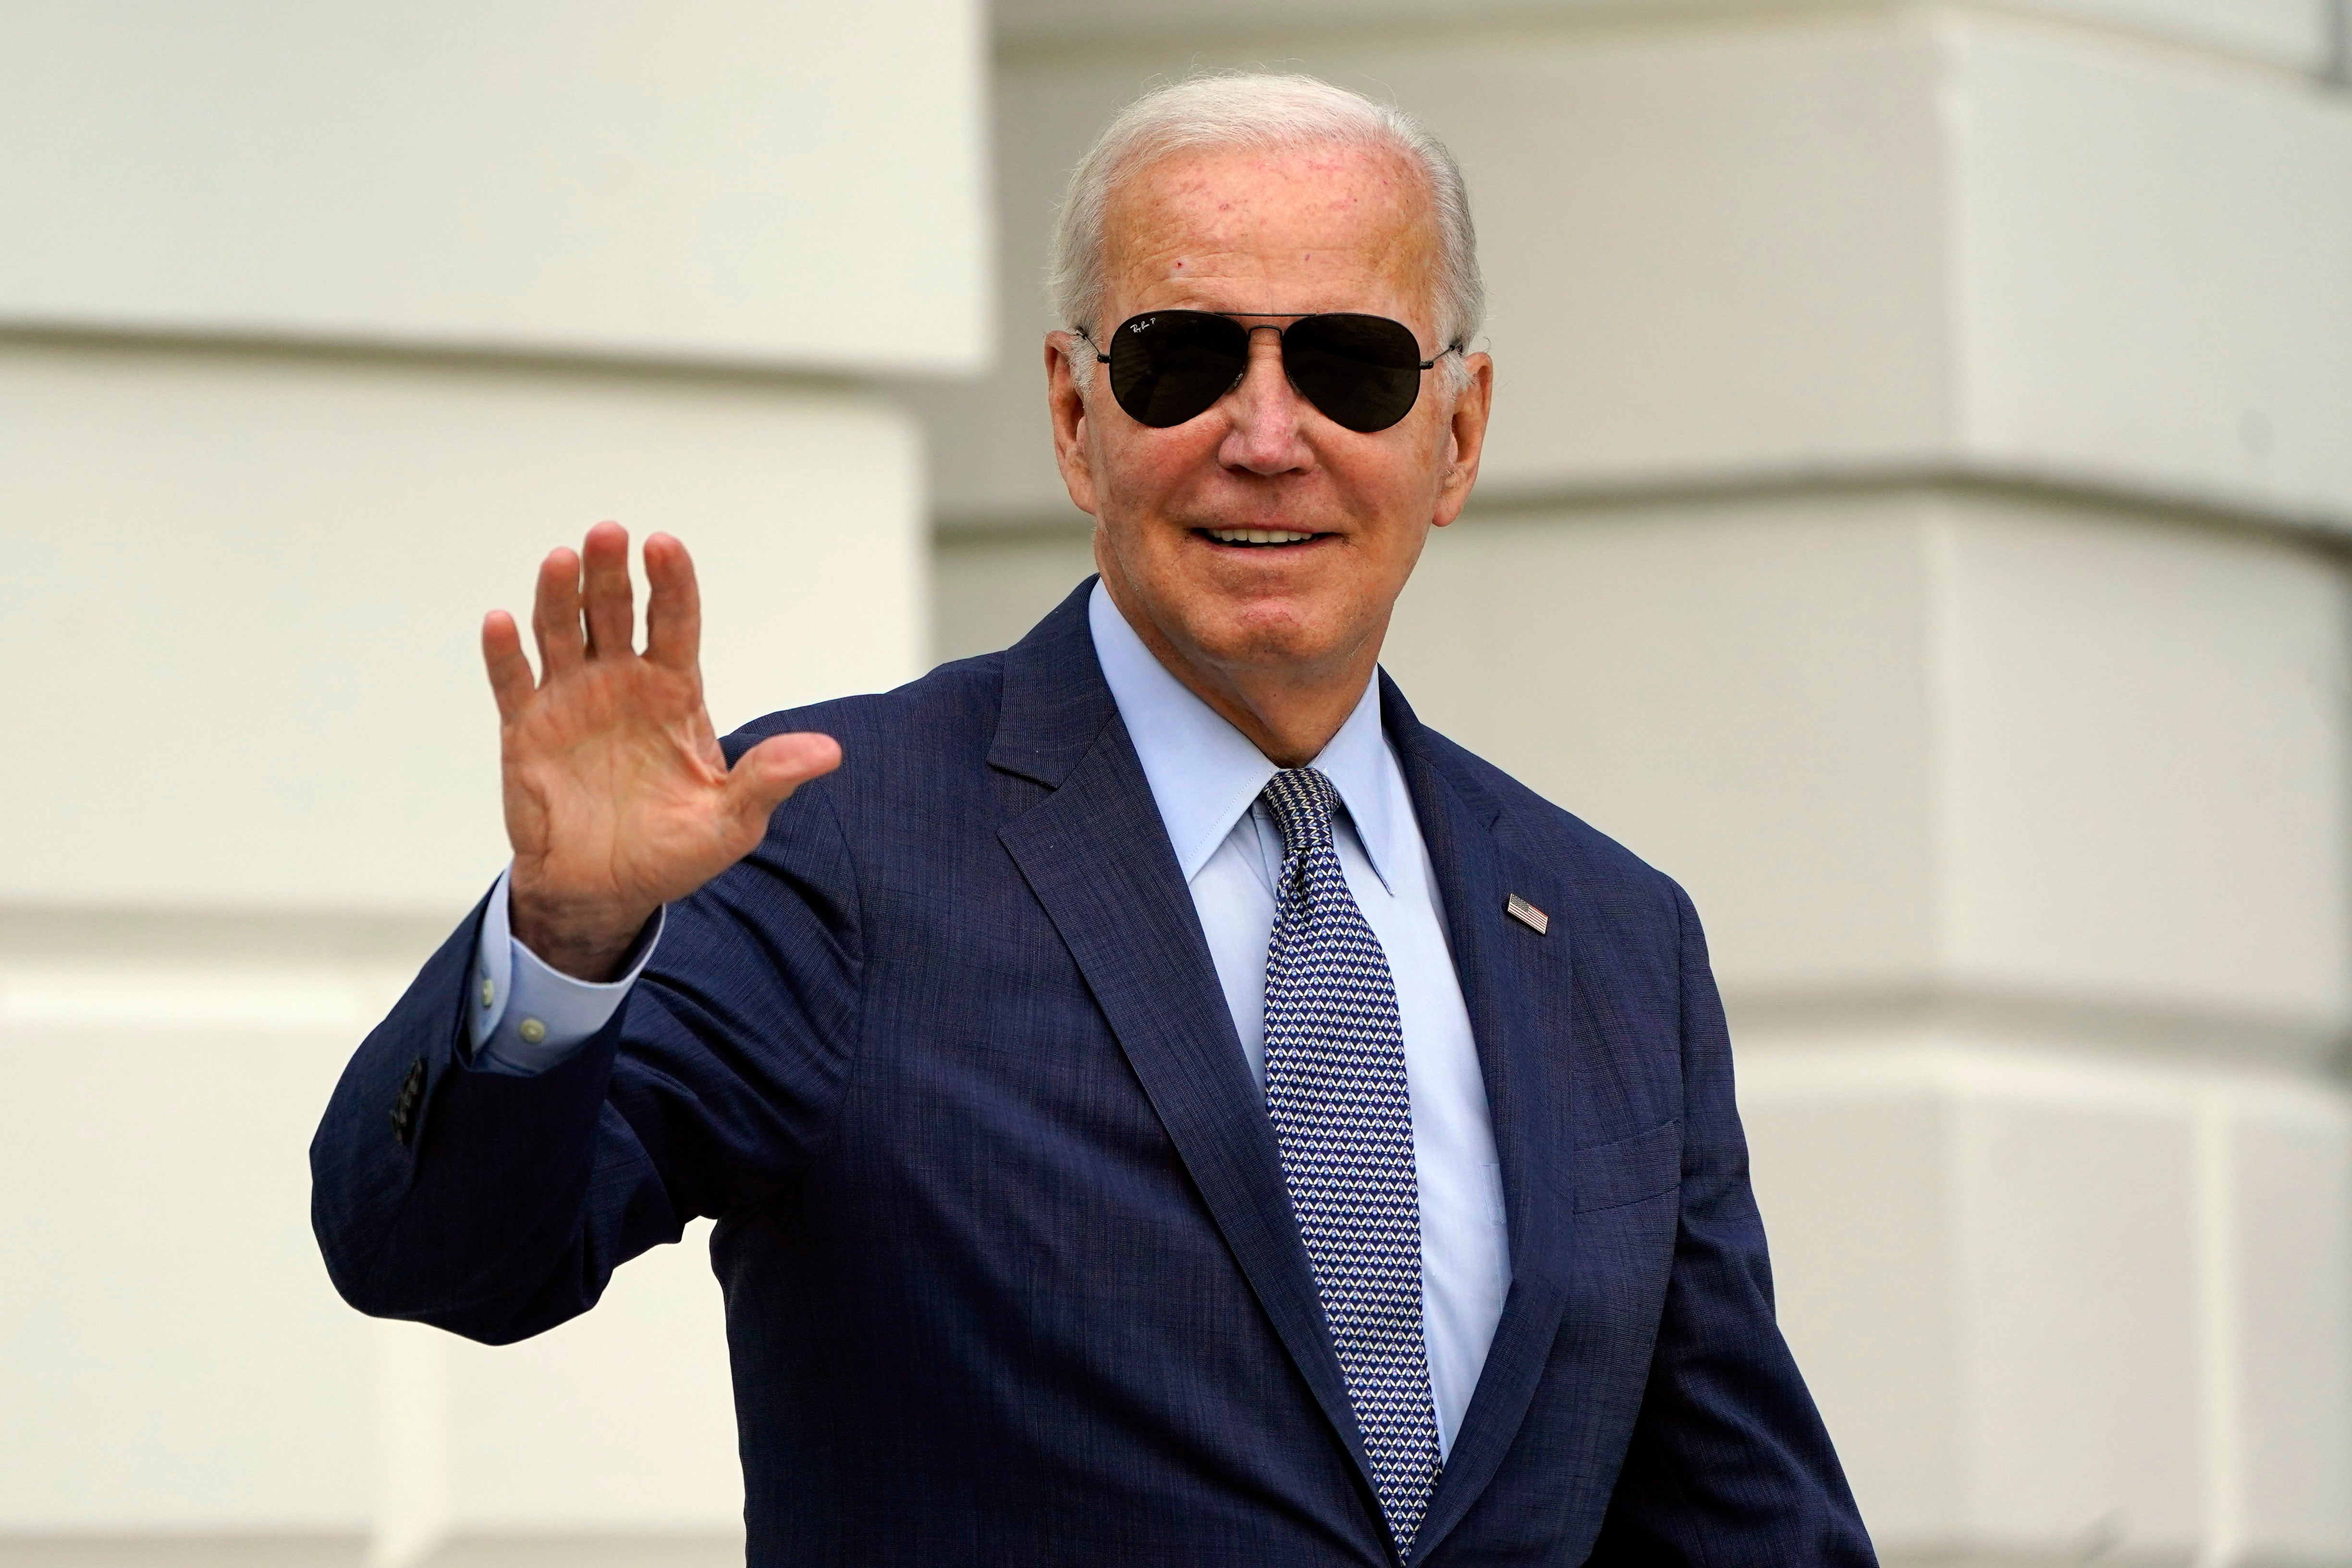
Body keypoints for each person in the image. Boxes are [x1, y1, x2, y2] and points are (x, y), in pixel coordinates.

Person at [311, 72, 1874, 1567]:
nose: (1267, 435)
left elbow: (1742, 1522)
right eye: (1183, 362)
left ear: (1453, 437)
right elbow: (440, 1256)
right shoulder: (831, 839)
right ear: (1075, 415)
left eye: (1351, 367)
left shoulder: (1610, 934)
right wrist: (570, 940)